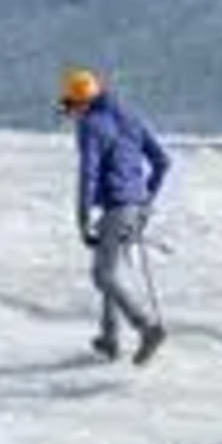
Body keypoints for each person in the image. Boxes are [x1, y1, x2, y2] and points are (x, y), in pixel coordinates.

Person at [57, 68, 171, 364]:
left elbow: (88, 173)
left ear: (82, 102)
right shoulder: (130, 116)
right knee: (111, 270)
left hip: (116, 207)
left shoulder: (90, 125)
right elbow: (163, 161)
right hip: (135, 208)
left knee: (102, 274)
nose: (70, 113)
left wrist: (82, 218)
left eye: (70, 105)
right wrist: (146, 198)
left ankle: (146, 327)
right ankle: (109, 338)